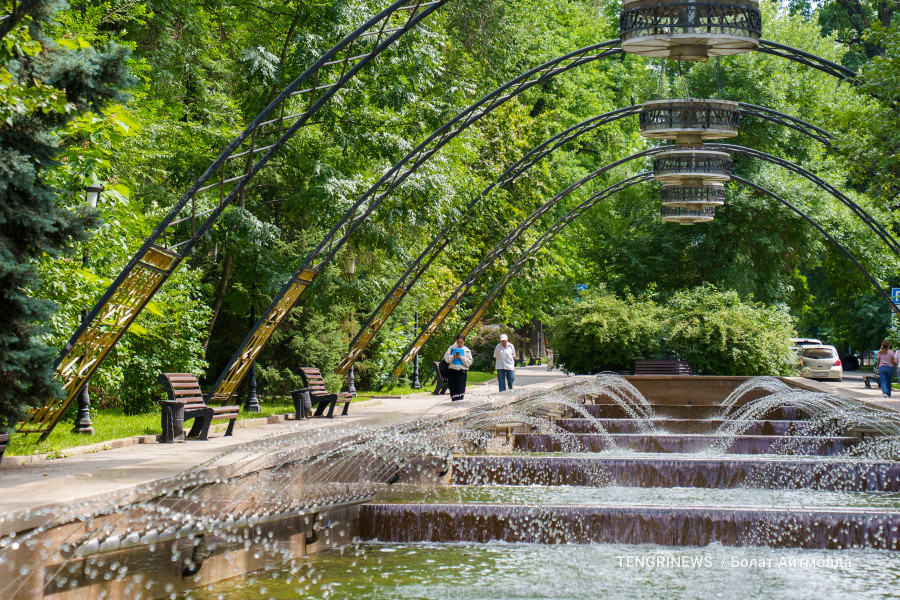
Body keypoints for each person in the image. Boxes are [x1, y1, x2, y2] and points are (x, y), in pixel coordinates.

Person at [443, 335, 473, 401]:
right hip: (452, 371)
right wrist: (453, 357)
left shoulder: (467, 351)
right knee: (453, 391)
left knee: (460, 390)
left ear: (464, 342)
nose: (459, 344)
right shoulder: (451, 348)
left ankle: (459, 404)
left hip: (462, 372)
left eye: (461, 342)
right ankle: (453, 403)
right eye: (458, 342)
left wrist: (462, 358)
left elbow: (469, 363)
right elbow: (446, 359)